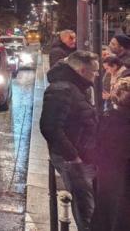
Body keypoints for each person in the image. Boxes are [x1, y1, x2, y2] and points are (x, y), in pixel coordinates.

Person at [40, 51, 99, 231]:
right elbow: (50, 127)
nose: (96, 74)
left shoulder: (76, 87)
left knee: (89, 203)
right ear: (82, 70)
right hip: (72, 159)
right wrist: (73, 156)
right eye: (94, 71)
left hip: (82, 155)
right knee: (85, 206)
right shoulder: (62, 89)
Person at [91, 78, 130, 231]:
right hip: (120, 181)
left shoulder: (107, 119)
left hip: (106, 178)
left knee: (105, 215)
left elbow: (96, 146)